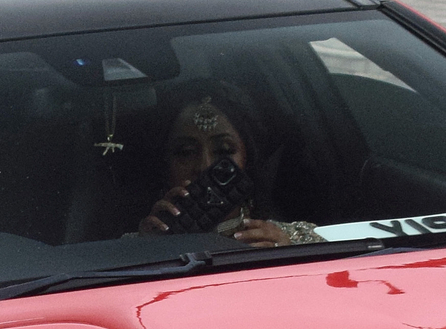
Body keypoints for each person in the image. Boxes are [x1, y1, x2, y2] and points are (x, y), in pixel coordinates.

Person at [135, 82, 320, 248]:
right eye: (186, 152)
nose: (204, 166)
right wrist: (151, 252)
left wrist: (287, 260)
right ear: (165, 162)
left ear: (247, 159)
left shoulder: (295, 242)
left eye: (223, 151)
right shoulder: (134, 249)